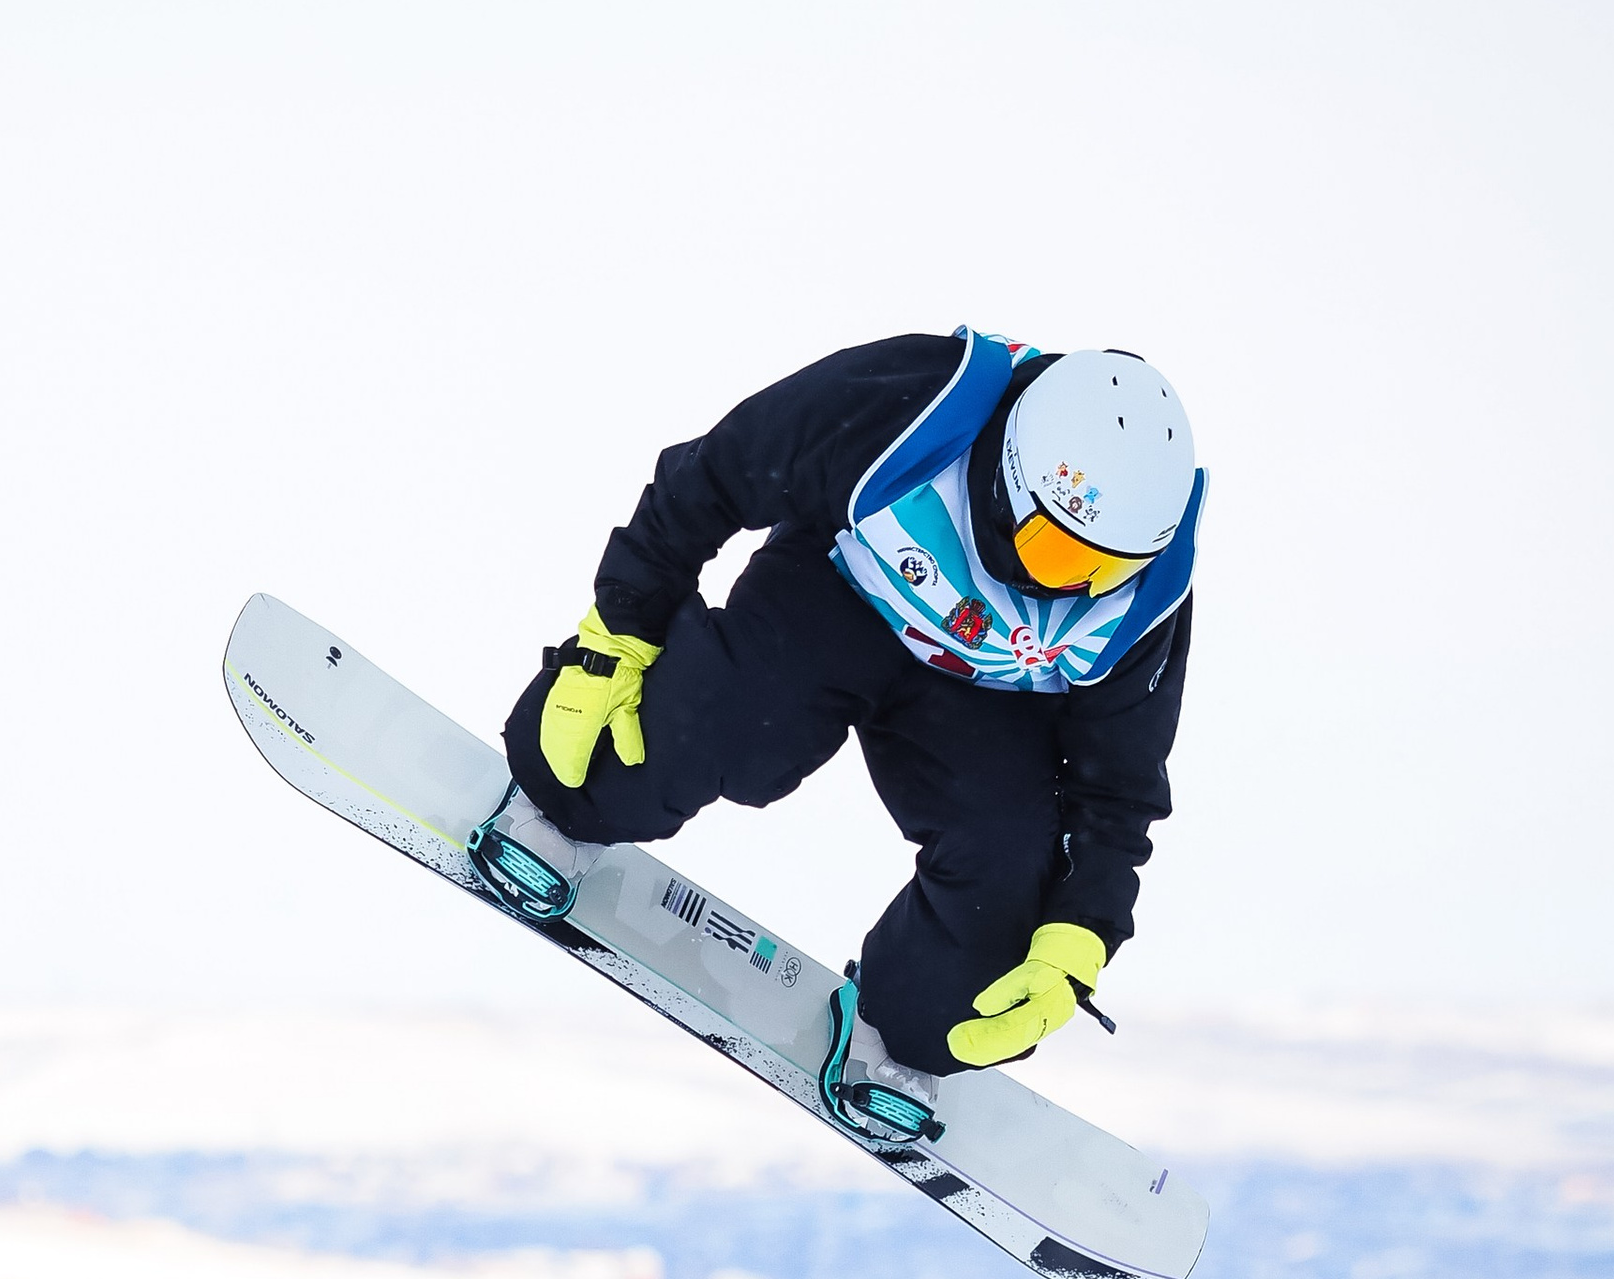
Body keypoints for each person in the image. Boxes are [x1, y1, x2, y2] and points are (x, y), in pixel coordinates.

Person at [469, 327, 1202, 1146]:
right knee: (715, 729)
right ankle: (559, 809)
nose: (1073, 585)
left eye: (1106, 569)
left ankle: (899, 1037)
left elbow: (1119, 782)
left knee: (1001, 904)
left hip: (980, 703)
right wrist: (615, 636)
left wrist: (1082, 929)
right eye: (1057, 551)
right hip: (835, 596)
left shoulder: (1142, 600)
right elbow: (712, 476)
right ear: (1010, 476)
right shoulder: (921, 402)